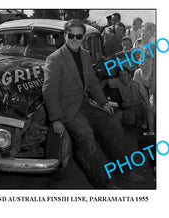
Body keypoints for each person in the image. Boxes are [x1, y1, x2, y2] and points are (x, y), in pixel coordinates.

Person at [42, 19, 144, 188]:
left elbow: (92, 83)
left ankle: (124, 170)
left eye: (78, 36)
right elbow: (49, 91)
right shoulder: (54, 59)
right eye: (71, 35)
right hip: (67, 110)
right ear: (65, 36)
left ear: (83, 37)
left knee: (114, 126)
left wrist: (103, 102)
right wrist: (56, 118)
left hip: (84, 104)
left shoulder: (85, 54)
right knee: (87, 140)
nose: (75, 39)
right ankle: (104, 184)